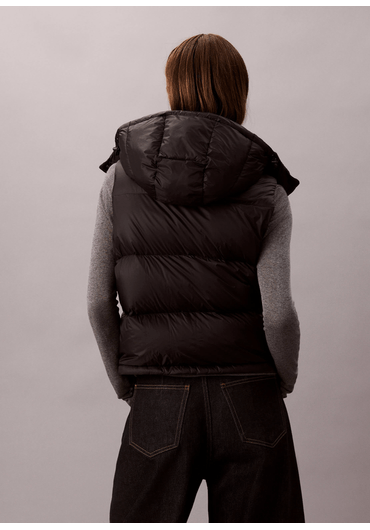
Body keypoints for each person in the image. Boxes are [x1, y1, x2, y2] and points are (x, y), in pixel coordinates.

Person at [87, 33, 305, 523]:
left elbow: (98, 302)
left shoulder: (119, 179)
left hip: (158, 397)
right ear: (239, 91)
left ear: (173, 87)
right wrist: (283, 379)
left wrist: (126, 385)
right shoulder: (267, 186)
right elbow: (278, 314)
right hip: (250, 394)